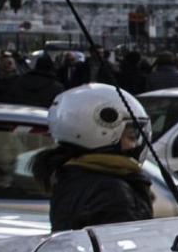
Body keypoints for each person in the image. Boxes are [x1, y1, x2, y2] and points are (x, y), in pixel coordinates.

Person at [43, 83, 158, 232]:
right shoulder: (111, 190)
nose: (134, 145)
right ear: (100, 133)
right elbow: (125, 247)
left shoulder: (71, 176)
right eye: (131, 136)